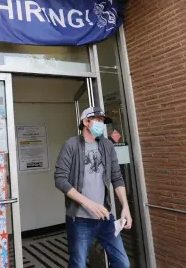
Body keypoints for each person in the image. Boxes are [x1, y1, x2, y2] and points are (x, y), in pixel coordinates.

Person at [54, 107, 131, 268]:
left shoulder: (107, 145)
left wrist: (125, 207)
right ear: (85, 122)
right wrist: (89, 203)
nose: (101, 124)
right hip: (80, 220)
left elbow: (117, 177)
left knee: (122, 263)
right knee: (78, 264)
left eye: (102, 121)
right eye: (97, 120)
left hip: (105, 218)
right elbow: (60, 180)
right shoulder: (72, 145)